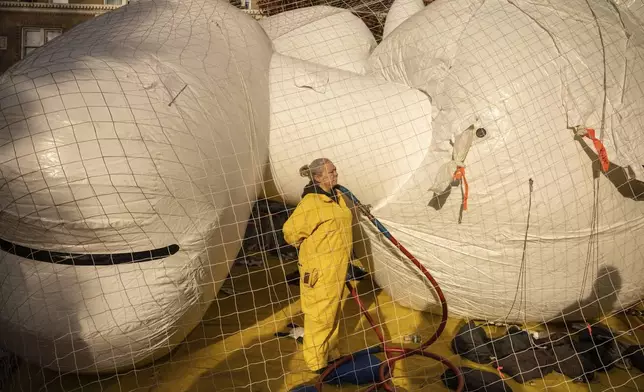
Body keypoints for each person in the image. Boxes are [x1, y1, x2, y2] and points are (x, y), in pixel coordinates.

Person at [282, 158, 354, 373]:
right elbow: (290, 232)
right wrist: (313, 250)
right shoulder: (312, 203)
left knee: (333, 314)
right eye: (330, 172)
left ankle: (332, 354)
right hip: (320, 271)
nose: (335, 175)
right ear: (317, 177)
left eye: (335, 171)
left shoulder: (337, 197)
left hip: (338, 269)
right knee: (319, 318)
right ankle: (316, 364)